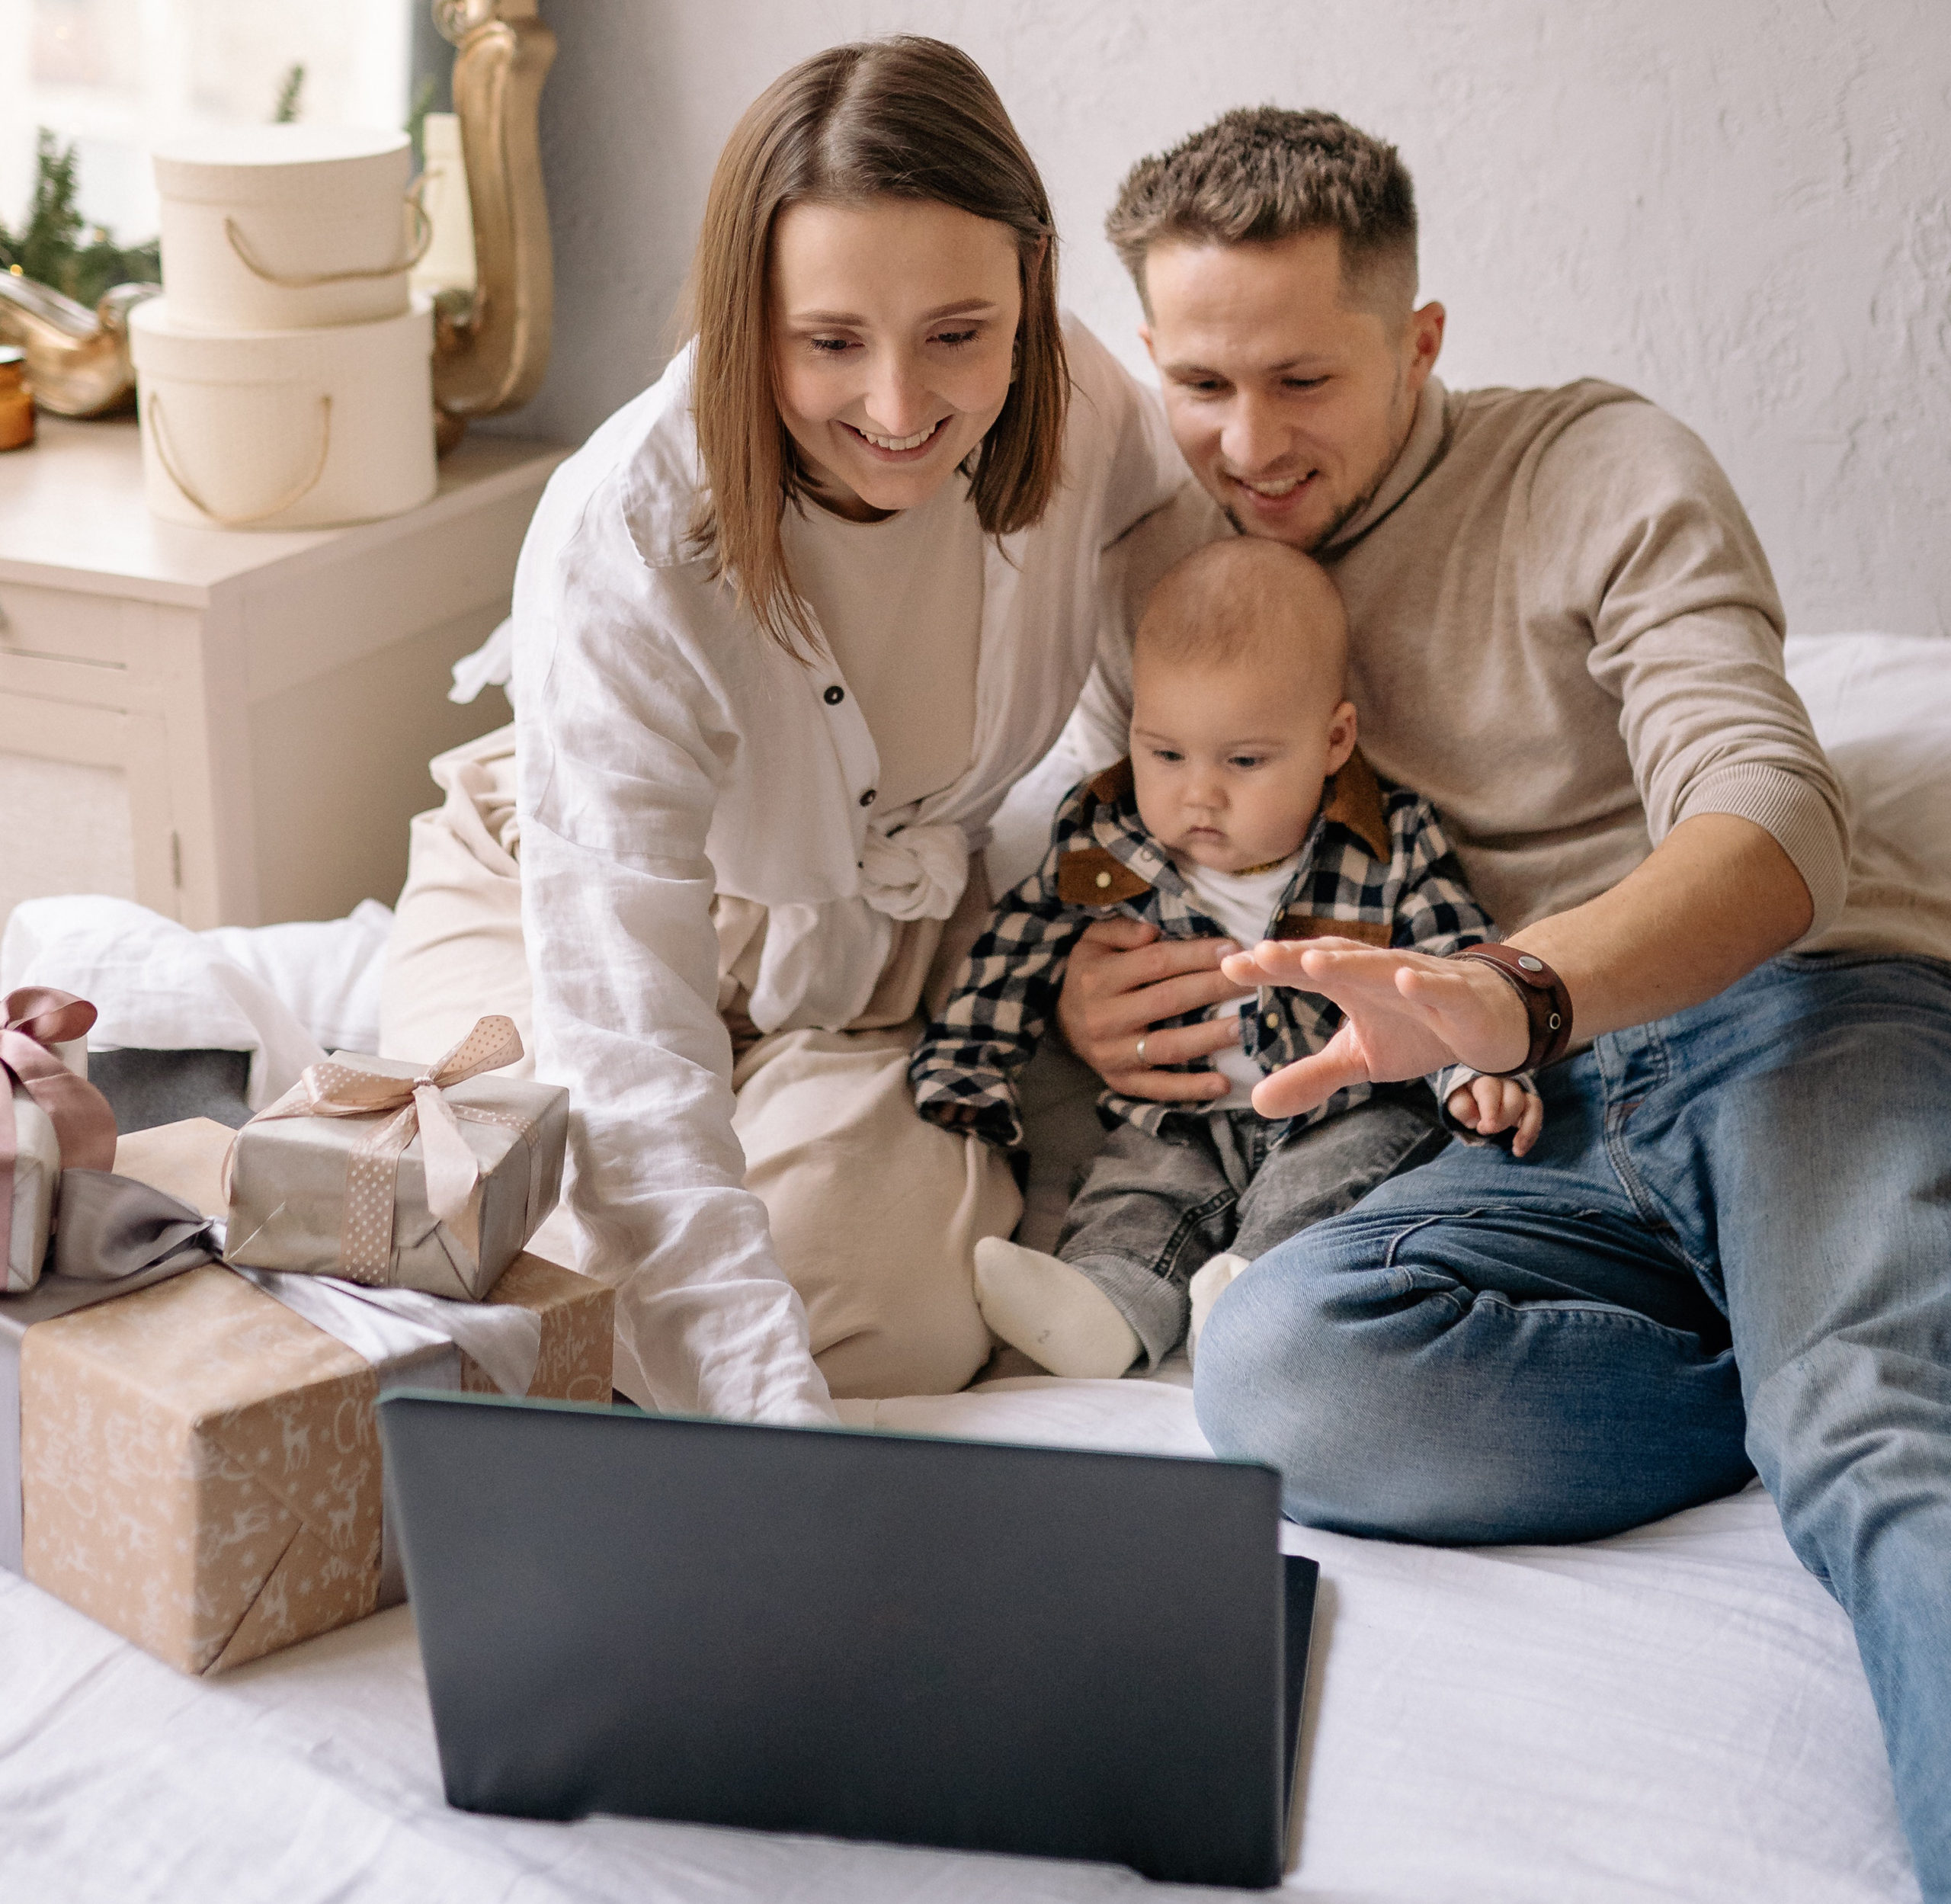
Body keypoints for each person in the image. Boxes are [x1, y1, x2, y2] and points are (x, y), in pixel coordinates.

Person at [1053, 106, 1951, 1894]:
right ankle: (1802, 1342)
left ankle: (1839, 1367)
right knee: (1279, 1362)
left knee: (1862, 1429)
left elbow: (1772, 826)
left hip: (1794, 1011)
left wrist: (1506, 990)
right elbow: (1124, 831)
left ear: (1419, 339)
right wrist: (1094, 974)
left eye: (1302, 377)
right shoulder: (1163, 565)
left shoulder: (1600, 466)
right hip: (1532, 1124)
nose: (1248, 443)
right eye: (1202, 382)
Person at [505, 37, 1204, 1421]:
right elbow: (624, 1040)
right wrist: (779, 1451)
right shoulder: (626, 540)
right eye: (830, 343)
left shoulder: (1078, 411)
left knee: (877, 1321)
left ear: (1028, 290)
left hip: (887, 944)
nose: (900, 411)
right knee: (525, 1278)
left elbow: (1194, 637)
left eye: (959, 333)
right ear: (746, 316)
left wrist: (1121, 899)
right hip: (583, 893)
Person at [910, 536, 1538, 1377]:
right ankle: (1106, 1307)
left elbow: (1449, 965)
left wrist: (1473, 1075)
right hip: (1179, 1115)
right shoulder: (1111, 840)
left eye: (1243, 761)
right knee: (1133, 1190)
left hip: (1339, 1107)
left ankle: (1254, 1302)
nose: (1197, 792)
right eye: (1164, 753)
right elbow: (1014, 949)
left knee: (1334, 1186)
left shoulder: (1387, 845)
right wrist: (966, 1070)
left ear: (1334, 740)